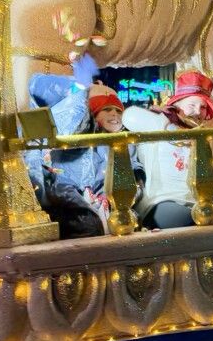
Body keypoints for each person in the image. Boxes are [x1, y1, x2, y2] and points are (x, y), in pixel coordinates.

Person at [28, 74, 142, 238]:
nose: (115, 114)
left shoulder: (126, 143)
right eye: (107, 109)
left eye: (118, 110)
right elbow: (60, 184)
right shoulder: (73, 140)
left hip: (114, 214)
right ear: (94, 112)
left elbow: (133, 175)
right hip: (79, 217)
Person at [122, 70, 213, 229]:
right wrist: (172, 128)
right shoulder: (159, 123)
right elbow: (128, 116)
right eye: (192, 105)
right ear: (177, 104)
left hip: (199, 205)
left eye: (203, 107)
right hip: (160, 202)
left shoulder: (208, 138)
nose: (198, 112)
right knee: (201, 225)